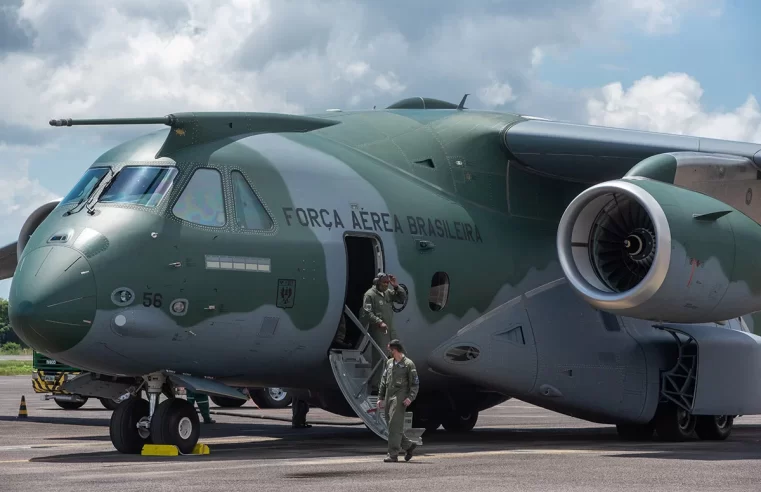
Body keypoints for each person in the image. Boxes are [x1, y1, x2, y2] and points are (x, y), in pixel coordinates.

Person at [360, 272, 406, 389]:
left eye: (387, 283)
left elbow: (401, 299)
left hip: (390, 329)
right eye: (384, 283)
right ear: (377, 283)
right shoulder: (370, 295)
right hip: (379, 330)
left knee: (397, 353)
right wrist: (378, 321)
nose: (386, 285)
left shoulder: (388, 293)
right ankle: (376, 385)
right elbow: (366, 313)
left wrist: (395, 286)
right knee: (380, 357)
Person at [377, 339, 419, 462]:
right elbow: (384, 381)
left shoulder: (408, 364)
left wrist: (410, 398)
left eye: (390, 350)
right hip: (389, 396)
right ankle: (409, 446)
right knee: (391, 425)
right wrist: (380, 397)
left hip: (400, 397)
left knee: (394, 426)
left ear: (395, 350)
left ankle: (392, 454)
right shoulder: (389, 363)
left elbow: (415, 384)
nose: (389, 352)